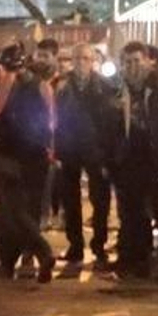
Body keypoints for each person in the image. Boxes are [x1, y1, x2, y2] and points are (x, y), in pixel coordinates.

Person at [110, 41, 158, 282]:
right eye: (128, 62)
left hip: (157, 159)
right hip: (132, 160)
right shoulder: (122, 90)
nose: (132, 67)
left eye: (136, 61)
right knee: (134, 213)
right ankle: (140, 260)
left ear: (148, 61)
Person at [0, 44, 56, 283]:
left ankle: (41, 252)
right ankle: (15, 260)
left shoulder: (10, 81)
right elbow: (52, 122)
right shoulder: (42, 85)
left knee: (11, 211)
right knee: (24, 211)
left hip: (13, 156)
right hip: (37, 157)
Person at [54, 43, 113, 267]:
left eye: (86, 59)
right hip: (69, 149)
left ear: (93, 61)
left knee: (101, 200)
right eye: (77, 58)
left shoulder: (103, 86)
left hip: (95, 149)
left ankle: (99, 244)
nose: (81, 63)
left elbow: (109, 121)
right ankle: (75, 246)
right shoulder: (63, 85)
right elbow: (55, 119)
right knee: (70, 201)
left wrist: (106, 152)